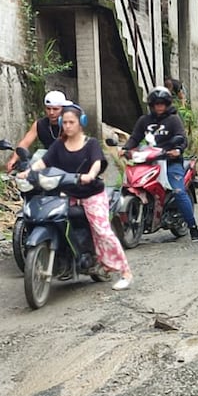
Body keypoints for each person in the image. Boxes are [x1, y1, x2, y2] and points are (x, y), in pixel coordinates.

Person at [32, 105, 134, 290]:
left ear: (81, 123)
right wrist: (28, 171)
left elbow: (96, 162)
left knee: (102, 231)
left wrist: (91, 175)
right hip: (67, 195)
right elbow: (43, 162)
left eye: (72, 122)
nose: (68, 126)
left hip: (91, 194)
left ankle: (125, 272)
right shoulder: (58, 145)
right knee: (53, 220)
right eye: (66, 122)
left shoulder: (91, 143)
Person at [124, 87, 198, 242]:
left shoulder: (173, 120)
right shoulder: (144, 120)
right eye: (156, 104)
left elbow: (181, 138)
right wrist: (125, 148)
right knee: (129, 183)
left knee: (178, 191)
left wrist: (177, 150)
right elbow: (135, 138)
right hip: (149, 160)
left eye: (162, 104)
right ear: (151, 105)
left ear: (167, 104)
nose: (159, 107)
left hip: (171, 162)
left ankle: (193, 227)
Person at [6, 90, 69, 172]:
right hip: (47, 161)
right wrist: (13, 160)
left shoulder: (69, 124)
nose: (51, 112)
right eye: (48, 109)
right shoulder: (39, 124)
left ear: (63, 109)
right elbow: (25, 143)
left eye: (55, 109)